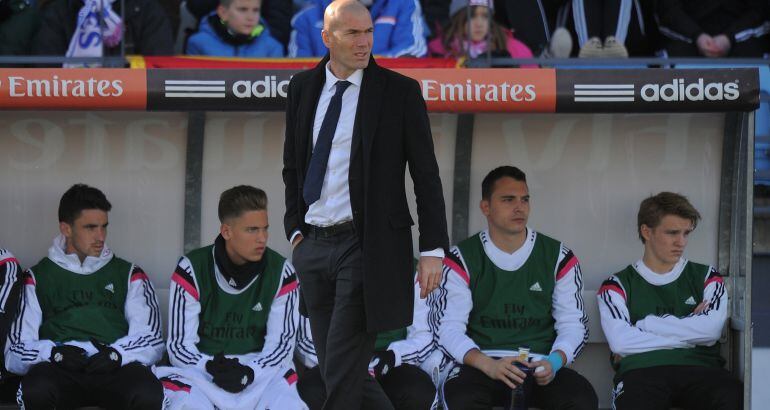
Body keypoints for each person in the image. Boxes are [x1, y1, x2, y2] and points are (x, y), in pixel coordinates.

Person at [282, 0, 449, 408]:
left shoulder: (399, 92)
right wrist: (295, 231)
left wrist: (432, 249)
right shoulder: (303, 88)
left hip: (366, 246)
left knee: (339, 371)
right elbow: (293, 166)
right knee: (340, 368)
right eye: (352, 33)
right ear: (327, 38)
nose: (364, 42)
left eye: (369, 32)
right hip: (313, 246)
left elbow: (426, 176)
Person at [436, 166, 597, 410]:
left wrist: (554, 362)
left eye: (525, 199)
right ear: (486, 207)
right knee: (461, 399)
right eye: (508, 199)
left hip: (540, 364)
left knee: (581, 399)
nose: (519, 207)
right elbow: (448, 329)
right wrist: (487, 364)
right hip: (483, 364)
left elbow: (574, 325)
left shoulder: (558, 257)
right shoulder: (461, 258)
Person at [6, 184, 164, 409]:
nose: (100, 236)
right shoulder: (37, 277)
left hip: (115, 367)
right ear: (66, 229)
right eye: (90, 227)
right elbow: (15, 351)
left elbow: (152, 340)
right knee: (36, 388)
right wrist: (53, 353)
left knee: (147, 391)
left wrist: (117, 355)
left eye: (104, 227)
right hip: (60, 369)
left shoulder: (129, 274)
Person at [156, 185, 305, 410]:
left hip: (261, 373)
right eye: (252, 230)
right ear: (227, 232)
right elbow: (179, 346)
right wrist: (214, 369)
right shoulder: (191, 268)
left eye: (265, 229)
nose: (262, 238)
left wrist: (250, 372)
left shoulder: (281, 272)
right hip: (202, 372)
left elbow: (280, 346)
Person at [598, 192, 742, 409]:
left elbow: (711, 330)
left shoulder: (707, 277)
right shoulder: (616, 285)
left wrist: (645, 325)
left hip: (702, 370)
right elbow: (621, 342)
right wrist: (691, 334)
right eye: (673, 232)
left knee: (733, 396)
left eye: (686, 233)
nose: (681, 242)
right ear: (646, 231)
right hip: (641, 372)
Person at [296, 269, 443, 410]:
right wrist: (346, 362)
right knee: (310, 390)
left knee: (418, 392)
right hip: (337, 364)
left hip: (389, 364)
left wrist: (393, 356)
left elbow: (424, 338)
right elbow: (305, 340)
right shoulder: (323, 264)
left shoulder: (410, 269)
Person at [32, 0, 174, 60]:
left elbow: (158, 71)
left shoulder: (148, 11)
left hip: (132, 111)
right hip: (67, 111)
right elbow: (43, 73)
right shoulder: (58, 11)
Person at [288, 0, 428, 58]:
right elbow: (297, 69)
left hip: (386, 98)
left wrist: (358, 71)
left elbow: (413, 52)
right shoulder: (306, 17)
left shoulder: (403, 3)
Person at [656, 0, 769, 57]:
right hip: (681, 49)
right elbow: (668, 10)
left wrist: (730, 37)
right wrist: (697, 36)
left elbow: (759, 11)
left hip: (747, 48)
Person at [428, 0, 534, 59]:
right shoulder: (436, 50)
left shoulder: (516, 50)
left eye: (485, 16)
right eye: (472, 16)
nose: (479, 23)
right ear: (458, 18)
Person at [186, 0, 284, 56]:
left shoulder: (273, 47)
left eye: (255, 10)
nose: (250, 17)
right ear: (223, 13)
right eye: (242, 9)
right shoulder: (198, 43)